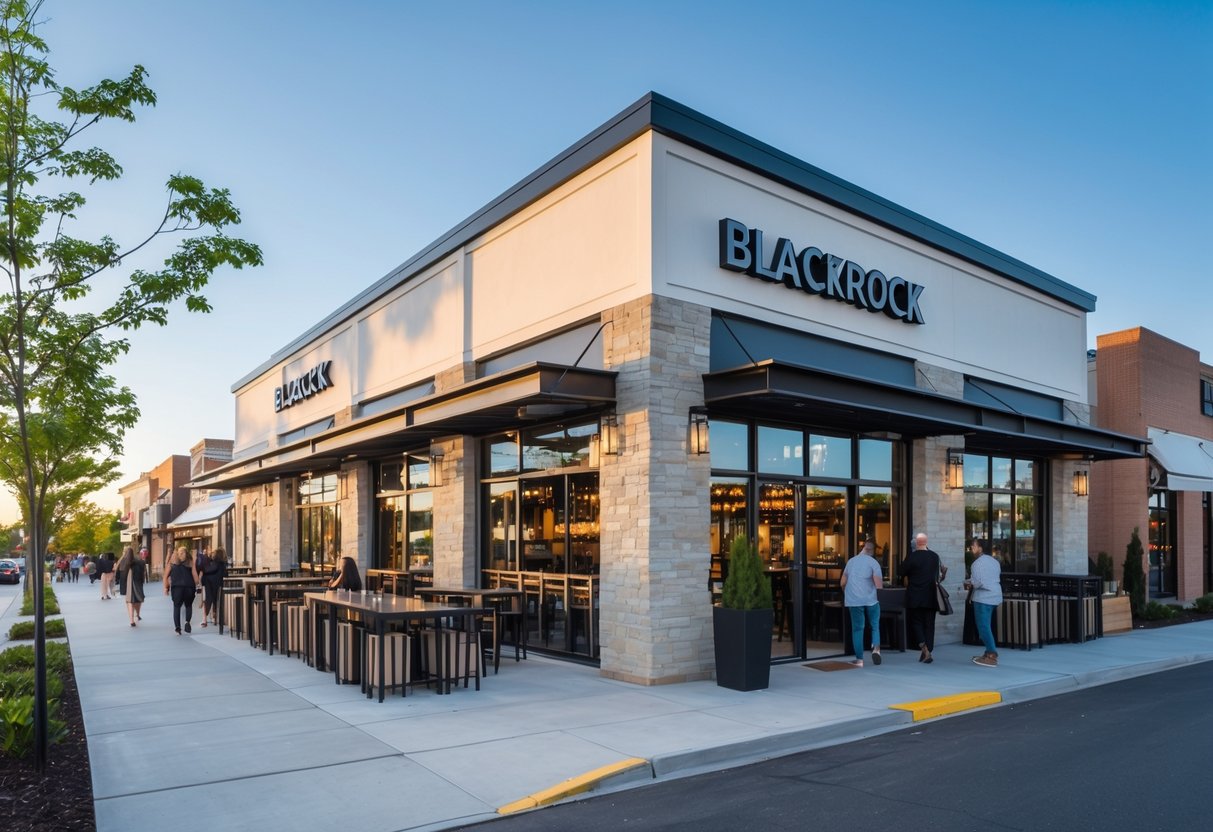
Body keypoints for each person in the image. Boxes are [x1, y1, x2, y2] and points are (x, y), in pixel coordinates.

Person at [901, 532, 947, 663]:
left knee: (916, 622)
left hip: (915, 595)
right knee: (929, 624)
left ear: (916, 544)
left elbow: (901, 572)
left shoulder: (912, 557)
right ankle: (928, 650)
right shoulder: (935, 556)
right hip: (931, 595)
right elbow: (940, 575)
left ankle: (925, 650)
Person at [840, 539, 883, 667]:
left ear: (863, 548)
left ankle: (859, 660)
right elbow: (879, 585)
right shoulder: (874, 563)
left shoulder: (851, 562)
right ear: (872, 550)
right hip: (871, 600)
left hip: (854, 600)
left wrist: (847, 592)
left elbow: (842, 583)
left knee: (858, 629)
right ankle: (876, 649)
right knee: (875, 625)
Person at [965, 539, 1003, 667]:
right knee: (986, 626)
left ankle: (992, 655)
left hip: (983, 597)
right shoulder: (995, 562)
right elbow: (991, 577)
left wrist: (968, 583)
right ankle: (988, 652)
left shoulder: (977, 563)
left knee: (983, 627)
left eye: (974, 545)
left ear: (980, 548)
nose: (971, 547)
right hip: (995, 595)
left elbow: (978, 582)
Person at [163, 547, 202, 635]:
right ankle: (187, 622)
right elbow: (195, 577)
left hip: (177, 588)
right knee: (188, 605)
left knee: (177, 607)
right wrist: (198, 585)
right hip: (189, 587)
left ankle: (177, 627)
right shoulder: (190, 562)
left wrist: (166, 587)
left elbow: (165, 576)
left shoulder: (172, 562)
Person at [117, 547, 146, 627]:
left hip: (128, 585)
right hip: (137, 584)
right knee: (137, 600)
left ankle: (131, 620)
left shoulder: (123, 561)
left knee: (129, 601)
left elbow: (117, 570)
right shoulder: (139, 562)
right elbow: (143, 574)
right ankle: (138, 614)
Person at [200, 548, 228, 627]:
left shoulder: (214, 563)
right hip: (219, 585)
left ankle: (204, 619)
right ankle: (215, 617)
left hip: (209, 583)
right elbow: (225, 575)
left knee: (208, 600)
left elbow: (207, 571)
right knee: (216, 600)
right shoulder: (223, 564)